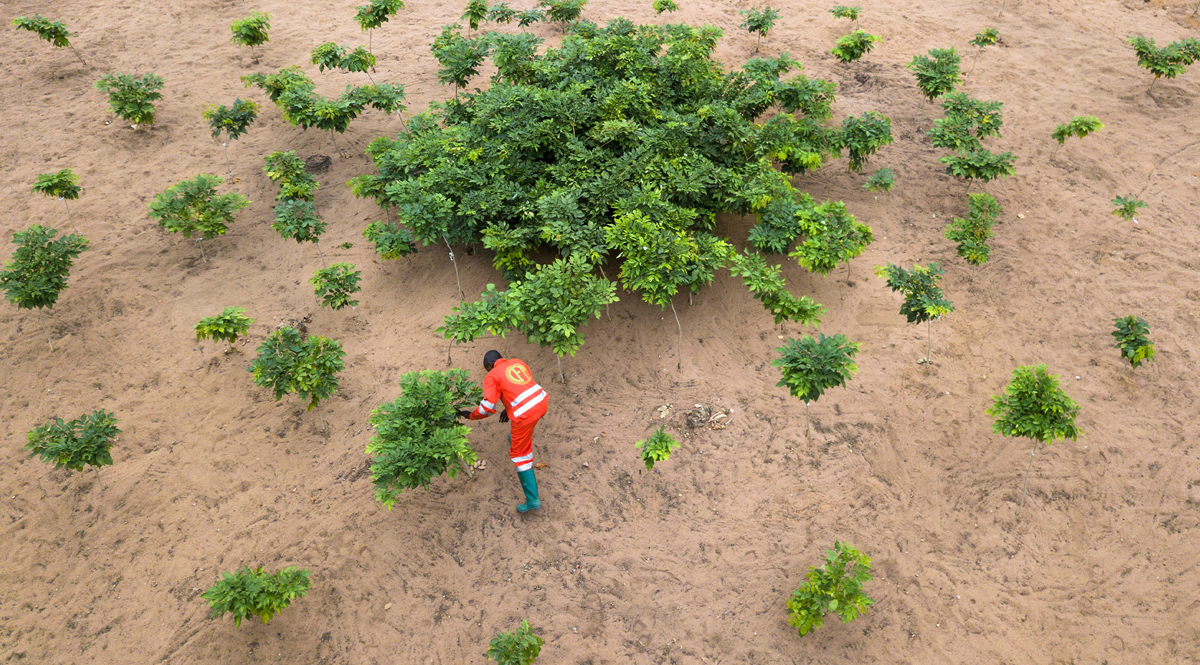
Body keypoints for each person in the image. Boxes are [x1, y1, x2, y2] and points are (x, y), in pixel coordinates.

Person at [457, 350, 548, 512]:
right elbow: (518, 389)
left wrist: (470, 415)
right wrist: (508, 408)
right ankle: (516, 436)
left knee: (520, 456)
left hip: (525, 414)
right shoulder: (517, 361)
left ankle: (533, 500)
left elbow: (487, 407)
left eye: (486, 368)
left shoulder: (491, 376)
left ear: (489, 365)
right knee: (526, 422)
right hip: (541, 401)